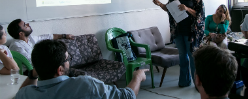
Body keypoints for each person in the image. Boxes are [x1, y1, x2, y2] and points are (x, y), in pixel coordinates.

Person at [15, 39, 148, 99]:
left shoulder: (26, 94)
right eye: (68, 59)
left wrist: (33, 75)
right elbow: (127, 96)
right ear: (60, 70)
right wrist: (137, 77)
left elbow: (20, 94)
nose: (69, 62)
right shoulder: (85, 85)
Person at [153, 0, 205, 87]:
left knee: (192, 56)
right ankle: (184, 81)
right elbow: (168, 8)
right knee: (182, 56)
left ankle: (197, 84)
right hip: (178, 30)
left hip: (191, 32)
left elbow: (200, 14)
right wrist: (160, 4)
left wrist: (186, 8)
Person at [7, 19, 73, 73]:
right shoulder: (16, 46)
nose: (28, 24)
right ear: (21, 33)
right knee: (61, 67)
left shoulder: (29, 39)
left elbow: (46, 37)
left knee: (64, 66)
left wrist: (64, 36)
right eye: (25, 25)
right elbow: (31, 62)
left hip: (39, 67)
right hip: (30, 72)